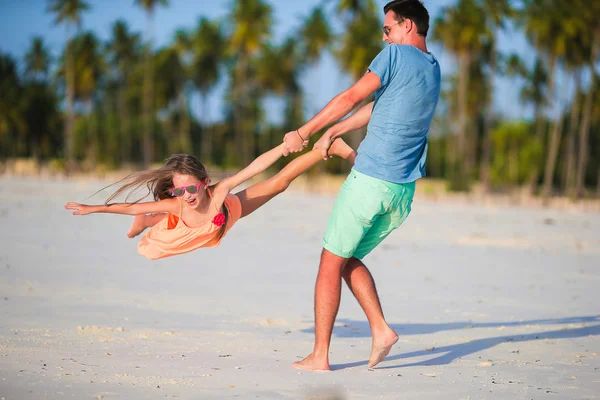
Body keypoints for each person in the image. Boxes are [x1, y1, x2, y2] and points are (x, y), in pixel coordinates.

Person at [282, 0, 441, 371]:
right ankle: (381, 330)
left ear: (408, 26)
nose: (384, 37)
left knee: (328, 262)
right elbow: (377, 107)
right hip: (402, 192)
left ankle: (320, 356)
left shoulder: (395, 55)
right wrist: (335, 131)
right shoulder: (432, 69)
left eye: (388, 29)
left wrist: (304, 132)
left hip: (370, 182)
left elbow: (352, 96)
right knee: (347, 258)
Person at [65, 139, 357, 260]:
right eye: (179, 191)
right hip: (182, 228)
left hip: (225, 214)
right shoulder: (177, 203)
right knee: (150, 250)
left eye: (190, 189)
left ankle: (326, 148)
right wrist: (93, 208)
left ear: (204, 184)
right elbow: (129, 206)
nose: (185, 196)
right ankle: (147, 221)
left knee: (279, 184)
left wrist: (283, 147)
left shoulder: (220, 192)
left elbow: (254, 168)